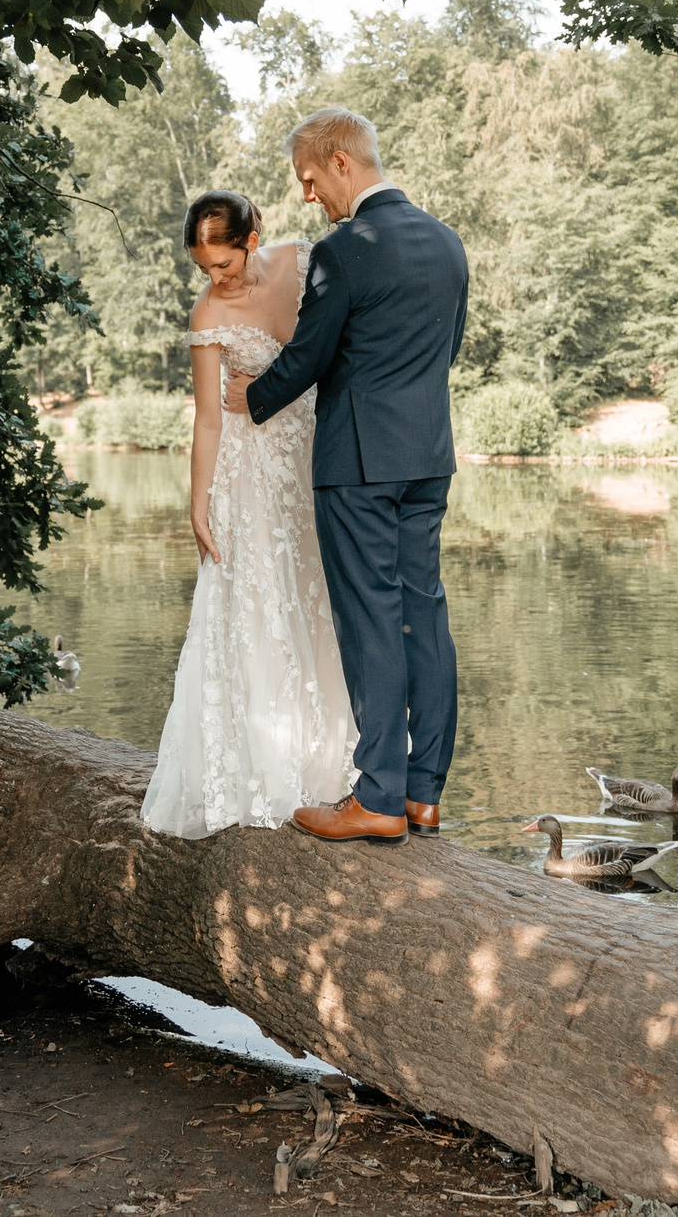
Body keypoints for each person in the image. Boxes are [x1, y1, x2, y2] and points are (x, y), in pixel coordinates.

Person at [226, 107, 468, 844]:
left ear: (338, 160)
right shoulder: (447, 242)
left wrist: (253, 397)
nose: (306, 197)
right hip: (426, 456)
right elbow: (444, 352)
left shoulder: (346, 248)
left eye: (306, 179)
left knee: (369, 623)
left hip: (358, 461)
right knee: (422, 613)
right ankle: (424, 792)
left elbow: (311, 354)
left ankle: (378, 800)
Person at [139, 189, 358, 839]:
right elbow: (207, 417)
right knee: (256, 609)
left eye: (224, 265)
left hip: (306, 459)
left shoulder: (305, 260)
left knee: (317, 602)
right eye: (205, 268)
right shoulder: (210, 311)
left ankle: (329, 772)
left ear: (251, 241)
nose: (216, 279)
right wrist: (197, 501)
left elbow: (338, 345)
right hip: (246, 476)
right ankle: (257, 774)